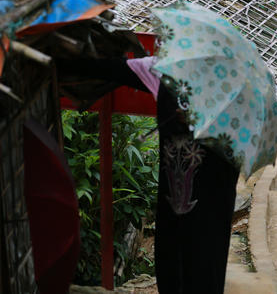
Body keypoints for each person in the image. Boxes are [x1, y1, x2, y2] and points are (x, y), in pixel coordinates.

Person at [57, 57, 238, 293]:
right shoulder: (165, 72)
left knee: (205, 262)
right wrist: (59, 61)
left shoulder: (231, 89)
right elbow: (114, 68)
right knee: (175, 260)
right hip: (176, 197)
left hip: (213, 196)